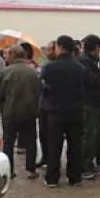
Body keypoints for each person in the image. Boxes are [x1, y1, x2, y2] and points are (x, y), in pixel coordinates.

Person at [41, 35, 85, 187]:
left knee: (54, 146)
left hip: (55, 111)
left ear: (59, 47)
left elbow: (44, 87)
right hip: (75, 111)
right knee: (75, 145)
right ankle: (75, 176)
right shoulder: (80, 68)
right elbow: (83, 89)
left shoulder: (50, 67)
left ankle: (52, 178)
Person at [0, 45, 40, 179]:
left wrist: (1, 108)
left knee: (8, 142)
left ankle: (9, 170)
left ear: (13, 55)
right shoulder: (33, 72)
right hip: (29, 112)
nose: (7, 57)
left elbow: (0, 93)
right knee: (31, 141)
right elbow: (38, 92)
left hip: (10, 112)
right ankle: (31, 169)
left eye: (8, 54)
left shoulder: (6, 71)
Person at [78, 34, 100, 180]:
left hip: (92, 102)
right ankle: (85, 167)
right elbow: (92, 80)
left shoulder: (88, 60)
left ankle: (89, 164)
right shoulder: (85, 61)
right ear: (96, 47)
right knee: (88, 135)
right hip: (88, 103)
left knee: (93, 134)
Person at [37, 40, 57, 168]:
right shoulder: (45, 64)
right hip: (43, 104)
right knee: (42, 133)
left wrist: (43, 85)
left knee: (52, 134)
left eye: (50, 49)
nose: (48, 52)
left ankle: (52, 159)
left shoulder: (55, 66)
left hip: (52, 105)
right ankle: (45, 156)